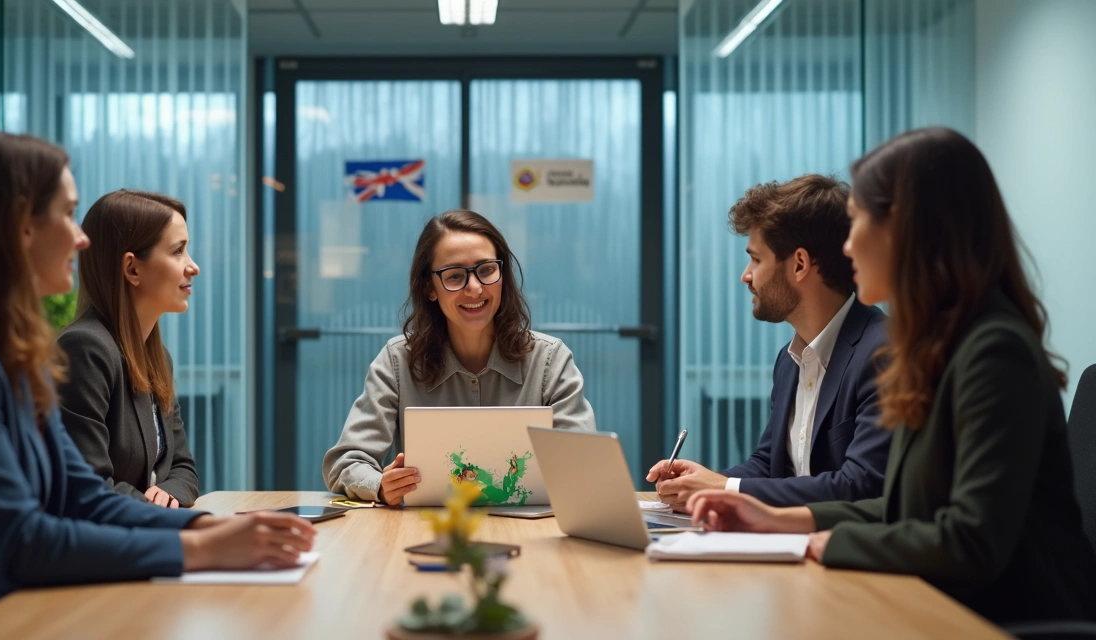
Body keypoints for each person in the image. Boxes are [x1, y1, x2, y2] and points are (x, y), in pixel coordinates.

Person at [0, 133, 315, 639]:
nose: (81, 238)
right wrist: (197, 549)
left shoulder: (10, 350)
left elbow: (82, 495)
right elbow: (22, 539)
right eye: (67, 215)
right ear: (19, 227)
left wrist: (205, 526)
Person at [686, 127, 1096, 624]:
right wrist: (776, 518)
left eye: (858, 224)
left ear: (906, 230)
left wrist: (826, 541)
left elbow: (970, 540)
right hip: (937, 606)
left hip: (1003, 622)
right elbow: (903, 510)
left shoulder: (993, 351)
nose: (848, 246)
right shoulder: (933, 347)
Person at [646, 175, 890, 507]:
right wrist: (702, 484)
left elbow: (860, 486)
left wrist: (724, 489)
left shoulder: (883, 351)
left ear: (800, 264)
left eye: (757, 259)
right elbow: (769, 466)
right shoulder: (789, 360)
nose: (746, 275)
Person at [323, 209, 596, 505]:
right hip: (427, 532)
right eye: (454, 276)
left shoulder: (549, 359)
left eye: (487, 270)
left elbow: (585, 465)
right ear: (430, 287)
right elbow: (345, 463)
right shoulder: (397, 360)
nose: (475, 288)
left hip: (533, 534)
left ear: (502, 275)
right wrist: (380, 485)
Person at [58, 190, 201, 508]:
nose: (193, 267)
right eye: (178, 251)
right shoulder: (84, 350)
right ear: (132, 270)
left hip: (139, 534)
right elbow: (88, 487)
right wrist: (155, 508)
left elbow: (183, 470)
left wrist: (169, 495)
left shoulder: (157, 356)